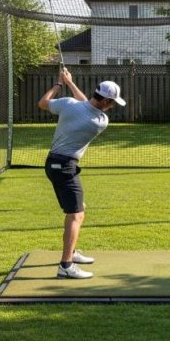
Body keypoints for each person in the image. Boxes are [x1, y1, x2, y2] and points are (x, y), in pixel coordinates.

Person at [37, 67, 126, 279]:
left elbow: (43, 103)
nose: (112, 107)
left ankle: (72, 252)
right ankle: (66, 265)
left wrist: (60, 84)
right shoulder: (100, 121)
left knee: (79, 208)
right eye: (112, 103)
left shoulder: (69, 104)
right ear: (105, 102)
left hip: (55, 164)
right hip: (65, 167)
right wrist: (68, 83)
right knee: (75, 214)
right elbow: (86, 104)